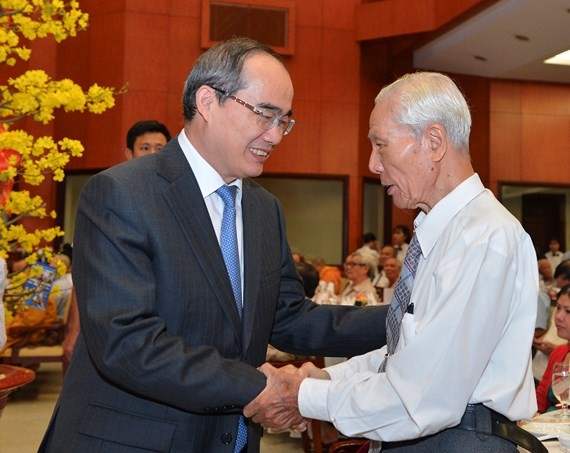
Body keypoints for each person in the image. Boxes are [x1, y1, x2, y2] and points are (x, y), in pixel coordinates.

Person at [40, 37, 388, 453]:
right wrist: (261, 386)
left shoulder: (263, 209)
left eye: (285, 121)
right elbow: (128, 342)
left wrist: (408, 314)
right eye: (265, 115)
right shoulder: (122, 194)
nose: (276, 135)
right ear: (208, 101)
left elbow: (291, 319)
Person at [244, 71, 540, 452]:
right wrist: (323, 380)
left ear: (433, 141)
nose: (373, 164)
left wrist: (304, 396)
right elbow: (406, 356)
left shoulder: (483, 238)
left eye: (381, 145)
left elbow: (422, 396)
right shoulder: (445, 234)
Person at [536, 284, 570, 413]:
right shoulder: (559, 353)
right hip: (548, 428)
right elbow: (540, 398)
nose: (559, 316)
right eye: (558, 308)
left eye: (568, 311)